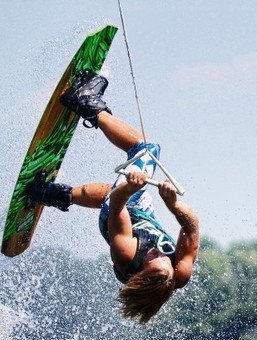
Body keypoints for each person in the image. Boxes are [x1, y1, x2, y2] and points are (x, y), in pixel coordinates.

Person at [26, 71, 200, 324]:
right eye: (163, 260)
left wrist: (130, 187)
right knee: (111, 190)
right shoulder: (179, 272)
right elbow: (192, 226)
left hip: (118, 212)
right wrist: (173, 205)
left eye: (153, 259)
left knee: (146, 149)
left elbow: (118, 204)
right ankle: (51, 194)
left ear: (140, 273)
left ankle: (86, 103)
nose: (159, 254)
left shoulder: (126, 255)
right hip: (142, 212)